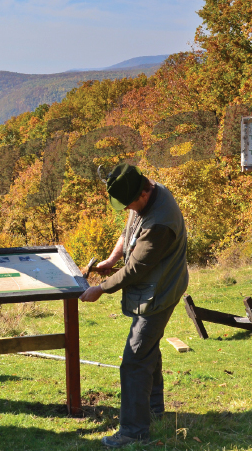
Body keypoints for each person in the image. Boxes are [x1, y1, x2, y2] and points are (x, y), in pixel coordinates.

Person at [79, 163, 189, 448]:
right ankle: (153, 410)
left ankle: (133, 431)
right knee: (147, 348)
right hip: (155, 287)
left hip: (160, 292)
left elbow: (136, 269)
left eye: (129, 203)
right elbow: (128, 234)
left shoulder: (160, 223)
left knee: (134, 359)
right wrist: (112, 259)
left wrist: (100, 289)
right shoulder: (145, 196)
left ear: (143, 192)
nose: (128, 208)